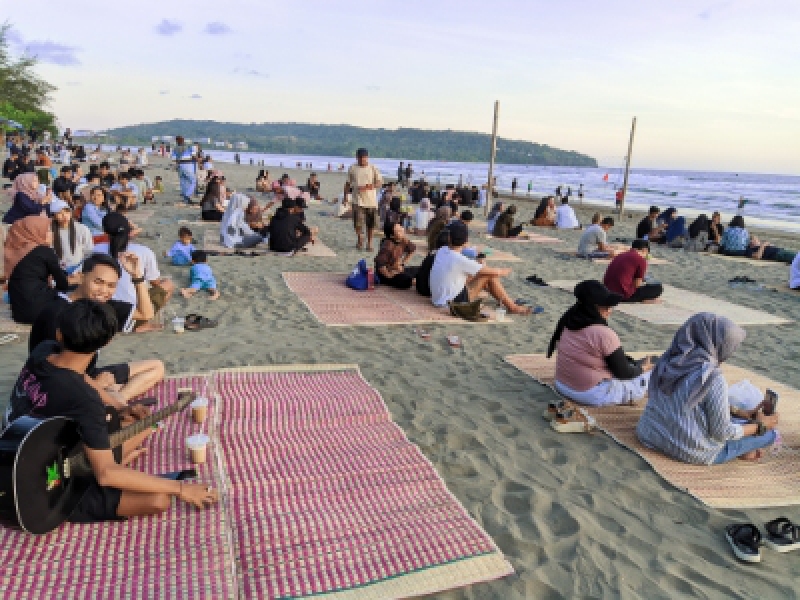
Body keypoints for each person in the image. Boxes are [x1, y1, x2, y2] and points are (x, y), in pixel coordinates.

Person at [9, 299, 218, 522]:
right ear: (106, 343)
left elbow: (80, 376)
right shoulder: (84, 402)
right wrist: (182, 489)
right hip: (47, 489)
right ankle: (116, 461)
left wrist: (120, 406)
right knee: (158, 499)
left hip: (22, 446)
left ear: (59, 334)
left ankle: (114, 457)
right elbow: (106, 474)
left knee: (137, 427)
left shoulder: (43, 351)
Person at [636, 313, 778, 464]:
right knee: (771, 435)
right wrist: (761, 426)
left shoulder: (669, 359)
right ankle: (743, 451)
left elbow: (691, 399)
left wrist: (741, 413)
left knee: (737, 421)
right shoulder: (712, 377)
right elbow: (722, 433)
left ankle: (743, 445)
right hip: (689, 451)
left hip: (649, 434)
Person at [28, 252, 161, 406]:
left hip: (87, 374)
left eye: (111, 286)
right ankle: (113, 401)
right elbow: (56, 372)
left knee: (156, 367)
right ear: (82, 277)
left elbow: (146, 313)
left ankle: (117, 399)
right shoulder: (58, 313)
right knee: (111, 390)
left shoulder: (101, 307)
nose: (104, 291)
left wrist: (137, 276)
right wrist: (97, 385)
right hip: (62, 382)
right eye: (98, 282)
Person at [547, 280, 654, 406]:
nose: (610, 310)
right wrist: (642, 369)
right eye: (606, 306)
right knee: (653, 370)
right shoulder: (603, 333)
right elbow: (624, 373)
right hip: (590, 394)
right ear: (593, 308)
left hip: (562, 385)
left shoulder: (568, 320)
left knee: (631, 364)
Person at [429, 222, 531, 315]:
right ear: (466, 241)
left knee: (481, 275)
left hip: (438, 298)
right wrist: (506, 270)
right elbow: (494, 272)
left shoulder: (442, 250)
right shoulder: (460, 260)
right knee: (489, 276)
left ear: (449, 238)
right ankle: (513, 307)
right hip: (451, 303)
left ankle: (505, 299)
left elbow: (465, 263)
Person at [95, 213, 173, 332]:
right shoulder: (143, 251)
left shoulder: (96, 250)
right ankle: (141, 324)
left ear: (105, 233)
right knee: (168, 285)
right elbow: (155, 283)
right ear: (129, 231)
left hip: (101, 313)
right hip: (132, 314)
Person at [5, 215, 74, 324]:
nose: (52, 234)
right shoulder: (45, 251)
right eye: (48, 231)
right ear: (36, 232)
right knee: (76, 293)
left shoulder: (14, 251)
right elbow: (63, 284)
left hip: (19, 314)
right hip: (41, 313)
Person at [345, 148, 382, 251]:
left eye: (364, 158)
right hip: (357, 200)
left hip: (371, 201)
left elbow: (379, 182)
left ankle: (369, 243)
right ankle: (360, 237)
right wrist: (345, 197)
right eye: (360, 158)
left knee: (370, 224)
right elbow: (348, 183)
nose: (362, 160)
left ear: (367, 157)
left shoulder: (373, 168)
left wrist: (370, 186)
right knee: (357, 223)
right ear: (357, 158)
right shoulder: (352, 168)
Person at [720, 215, 796, 262]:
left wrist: (761, 244)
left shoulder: (728, 230)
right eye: (752, 240)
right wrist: (763, 245)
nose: (753, 241)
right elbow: (757, 256)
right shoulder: (749, 249)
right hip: (777, 254)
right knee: (795, 258)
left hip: (778, 250)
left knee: (795, 255)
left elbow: (722, 243)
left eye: (755, 239)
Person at [50, 198, 93, 273]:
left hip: (79, 269)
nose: (64, 216)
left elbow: (89, 252)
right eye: (60, 213)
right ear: (53, 217)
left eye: (67, 212)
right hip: (58, 270)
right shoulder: (50, 232)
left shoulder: (82, 229)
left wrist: (81, 269)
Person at [374, 222, 417, 289]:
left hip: (397, 269)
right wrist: (389, 275)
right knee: (404, 279)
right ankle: (418, 283)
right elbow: (379, 263)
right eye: (399, 231)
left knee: (418, 270)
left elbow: (412, 249)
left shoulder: (403, 240)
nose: (402, 230)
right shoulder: (388, 245)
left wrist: (402, 263)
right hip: (385, 273)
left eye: (401, 227)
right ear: (392, 236)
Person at [172, 135, 197, 204]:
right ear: (183, 140)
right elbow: (194, 156)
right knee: (193, 181)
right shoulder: (189, 147)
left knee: (183, 182)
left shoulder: (175, 149)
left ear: (176, 141)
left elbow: (174, 159)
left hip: (180, 166)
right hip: (188, 165)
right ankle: (187, 195)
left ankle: (185, 198)